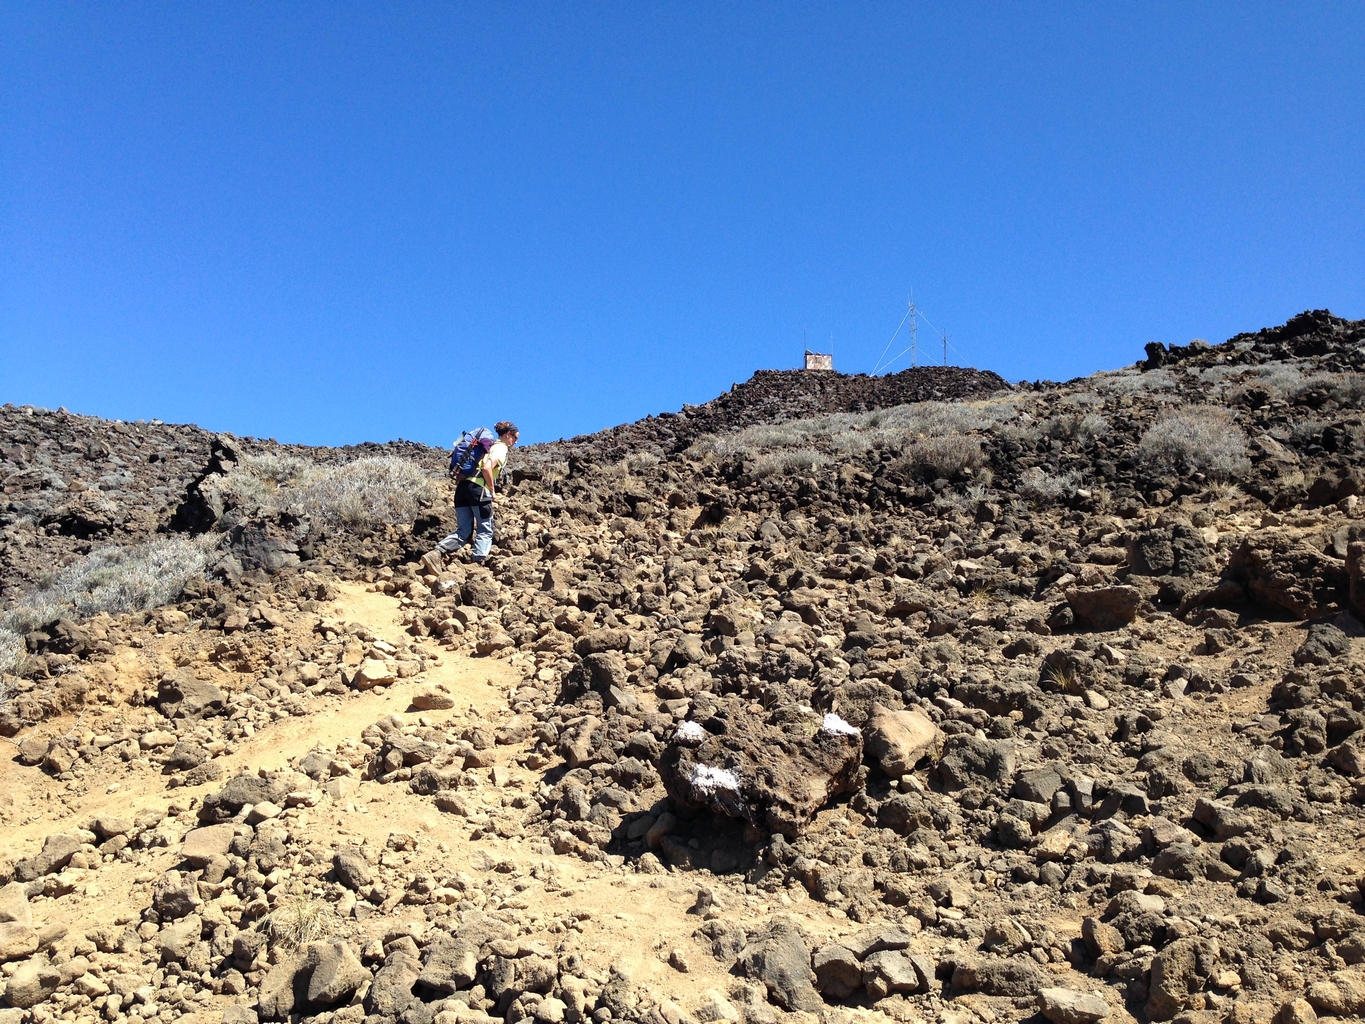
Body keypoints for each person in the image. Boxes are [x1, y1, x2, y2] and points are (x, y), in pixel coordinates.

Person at [424, 421, 519, 569]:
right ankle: (477, 565)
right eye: (515, 437)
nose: (516, 441)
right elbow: (487, 468)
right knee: (485, 530)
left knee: (464, 531)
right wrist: (492, 490)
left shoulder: (487, 446)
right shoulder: (500, 448)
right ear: (507, 434)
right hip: (478, 490)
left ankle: (436, 553)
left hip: (462, 489)